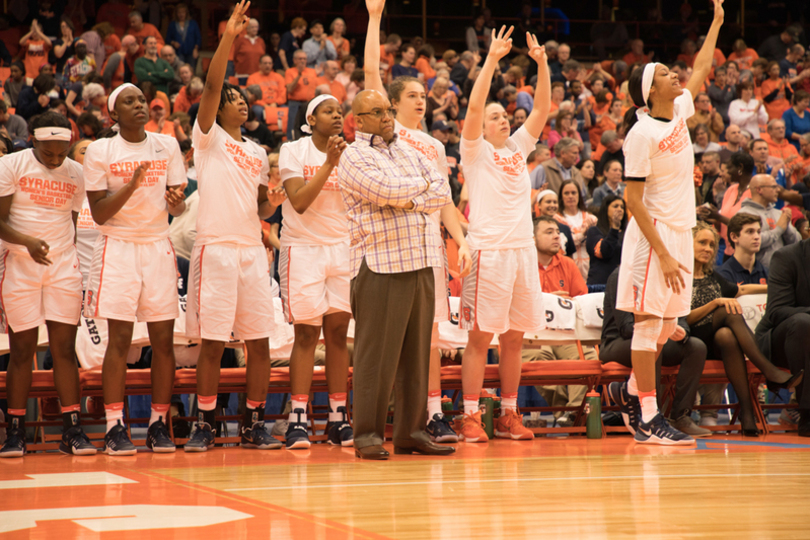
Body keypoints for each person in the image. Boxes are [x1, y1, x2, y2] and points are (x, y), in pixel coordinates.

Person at [612, 0, 725, 446]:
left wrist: (715, 23)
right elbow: (632, 199)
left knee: (663, 328)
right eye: (663, 73)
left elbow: (699, 69)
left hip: (679, 232)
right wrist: (660, 250)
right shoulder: (641, 135)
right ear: (649, 90)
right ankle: (647, 415)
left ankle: (629, 392)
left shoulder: (676, 112)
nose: (674, 75)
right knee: (646, 326)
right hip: (651, 238)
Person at [363, 1, 472, 445]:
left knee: (428, 336)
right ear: (391, 105)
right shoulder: (387, 134)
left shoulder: (431, 142)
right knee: (394, 340)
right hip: (390, 249)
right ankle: (381, 419)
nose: (421, 98)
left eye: (424, 94)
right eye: (412, 94)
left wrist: (461, 239)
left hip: (429, 246)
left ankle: (429, 414)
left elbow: (445, 201)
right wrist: (373, 19)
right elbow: (371, 75)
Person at [183, 1, 285, 452]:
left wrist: (273, 201)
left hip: (250, 250)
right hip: (216, 249)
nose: (240, 103)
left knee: (258, 343)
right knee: (212, 344)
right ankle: (204, 422)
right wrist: (230, 36)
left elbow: (261, 209)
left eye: (244, 99)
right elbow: (211, 84)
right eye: (233, 99)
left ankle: (253, 423)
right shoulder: (208, 139)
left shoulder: (260, 153)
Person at [457, 25, 551, 443]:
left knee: (514, 338)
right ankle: (470, 415)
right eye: (497, 115)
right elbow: (474, 108)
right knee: (480, 338)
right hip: (488, 251)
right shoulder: (475, 151)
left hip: (521, 253)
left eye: (504, 114)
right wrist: (491, 61)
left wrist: (543, 64)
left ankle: (510, 414)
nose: (502, 118)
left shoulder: (516, 148)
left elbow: (542, 110)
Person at [83, 82, 187, 456]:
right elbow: (98, 212)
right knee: (120, 342)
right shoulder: (100, 150)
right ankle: (115, 427)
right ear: (114, 114)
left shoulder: (167, 144)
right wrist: (132, 185)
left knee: (163, 342)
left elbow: (178, 208)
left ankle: (159, 423)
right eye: (130, 101)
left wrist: (176, 203)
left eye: (142, 100)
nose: (140, 105)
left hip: (158, 244)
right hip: (118, 246)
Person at [0, 113, 94, 459]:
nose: (56, 159)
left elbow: (70, 221)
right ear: (33, 142)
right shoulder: (11, 165)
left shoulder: (77, 173)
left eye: (61, 153)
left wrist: (59, 249)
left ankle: (72, 429)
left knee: (64, 350)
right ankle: (15, 432)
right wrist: (26, 242)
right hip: (21, 265)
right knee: (22, 351)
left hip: (62, 268)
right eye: (48, 153)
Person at [277, 94, 353, 449]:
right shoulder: (294, 151)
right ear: (310, 119)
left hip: (343, 249)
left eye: (339, 111)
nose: (337, 116)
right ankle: (298, 418)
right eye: (328, 111)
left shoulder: (352, 154)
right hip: (303, 249)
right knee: (307, 336)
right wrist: (329, 163)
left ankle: (338, 417)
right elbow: (300, 202)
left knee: (338, 335)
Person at [688, 222, 799, 435]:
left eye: (712, 244)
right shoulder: (680, 275)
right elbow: (683, 319)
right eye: (702, 242)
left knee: (727, 335)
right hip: (691, 342)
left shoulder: (711, 275)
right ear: (687, 245)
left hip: (716, 343)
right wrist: (715, 303)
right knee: (727, 310)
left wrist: (779, 286)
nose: (708, 248)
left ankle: (747, 415)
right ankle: (768, 371)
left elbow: (742, 289)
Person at [601, 267, 710, 438]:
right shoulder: (620, 276)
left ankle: (681, 417)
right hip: (617, 343)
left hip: (657, 338)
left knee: (696, 346)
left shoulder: (665, 274)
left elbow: (680, 315)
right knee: (650, 344)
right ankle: (652, 414)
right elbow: (625, 327)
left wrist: (681, 330)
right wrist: (662, 329)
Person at [523, 216, 593, 426]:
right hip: (531, 335)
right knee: (537, 361)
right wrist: (549, 300)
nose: (556, 236)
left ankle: (571, 415)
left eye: (557, 232)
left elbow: (582, 303)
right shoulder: (522, 265)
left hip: (565, 334)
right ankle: (571, 412)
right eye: (549, 232)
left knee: (587, 357)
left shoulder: (568, 265)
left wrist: (568, 302)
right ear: (532, 238)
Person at [756, 232, 810, 438]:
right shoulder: (786, 257)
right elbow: (777, 311)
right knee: (804, 322)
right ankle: (807, 413)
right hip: (781, 339)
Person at [738, 174, 800, 268]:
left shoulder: (779, 213)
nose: (778, 190)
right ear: (759, 189)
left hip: (782, 271)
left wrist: (786, 226)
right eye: (773, 187)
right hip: (756, 273)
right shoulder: (744, 214)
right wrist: (778, 229)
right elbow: (749, 242)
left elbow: (797, 242)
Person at [556, 179, 596, 280]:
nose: (570, 196)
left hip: (589, 268)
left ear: (579, 195)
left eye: (573, 193)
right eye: (566, 193)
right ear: (561, 197)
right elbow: (563, 244)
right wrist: (583, 234)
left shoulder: (591, 218)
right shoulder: (556, 220)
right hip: (567, 268)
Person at [716, 213, 769, 285]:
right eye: (750, 231)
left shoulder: (768, 273)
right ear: (734, 237)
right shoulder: (722, 275)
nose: (757, 237)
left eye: (758, 232)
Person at [586, 194, 626, 287]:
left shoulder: (628, 233)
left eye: (622, 207)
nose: (620, 209)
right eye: (615, 206)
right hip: (599, 286)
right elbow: (604, 252)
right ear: (605, 209)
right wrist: (614, 229)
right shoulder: (594, 231)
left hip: (621, 285)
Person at [285, 50, 318, 140]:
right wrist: (299, 75)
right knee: (293, 124)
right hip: (295, 103)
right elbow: (289, 89)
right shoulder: (290, 72)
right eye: (300, 59)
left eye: (304, 59)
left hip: (309, 103)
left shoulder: (312, 71)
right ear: (294, 60)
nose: (302, 61)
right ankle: (291, 141)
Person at [536, 190, 576, 257]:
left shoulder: (565, 228)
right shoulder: (532, 226)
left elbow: (569, 256)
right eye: (548, 202)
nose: (552, 205)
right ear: (539, 205)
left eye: (555, 202)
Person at [233, 19, 266, 84]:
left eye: (256, 27)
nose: (254, 29)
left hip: (257, 75)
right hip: (242, 75)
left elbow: (263, 57)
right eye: (252, 27)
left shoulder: (261, 41)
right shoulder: (240, 40)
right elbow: (235, 56)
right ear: (247, 28)